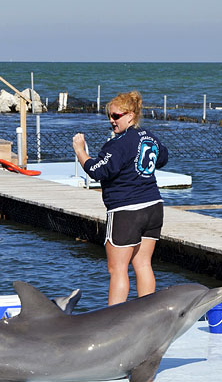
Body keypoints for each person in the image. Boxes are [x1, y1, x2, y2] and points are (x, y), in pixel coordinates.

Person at [72, 91, 168, 305]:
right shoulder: (149, 136)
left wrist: (80, 151)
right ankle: (147, 315)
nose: (111, 120)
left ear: (130, 115)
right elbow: (162, 157)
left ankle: (112, 321)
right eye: (110, 116)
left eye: (116, 116)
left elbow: (97, 170)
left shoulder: (118, 144)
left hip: (126, 211)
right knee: (143, 264)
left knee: (117, 269)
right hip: (153, 207)